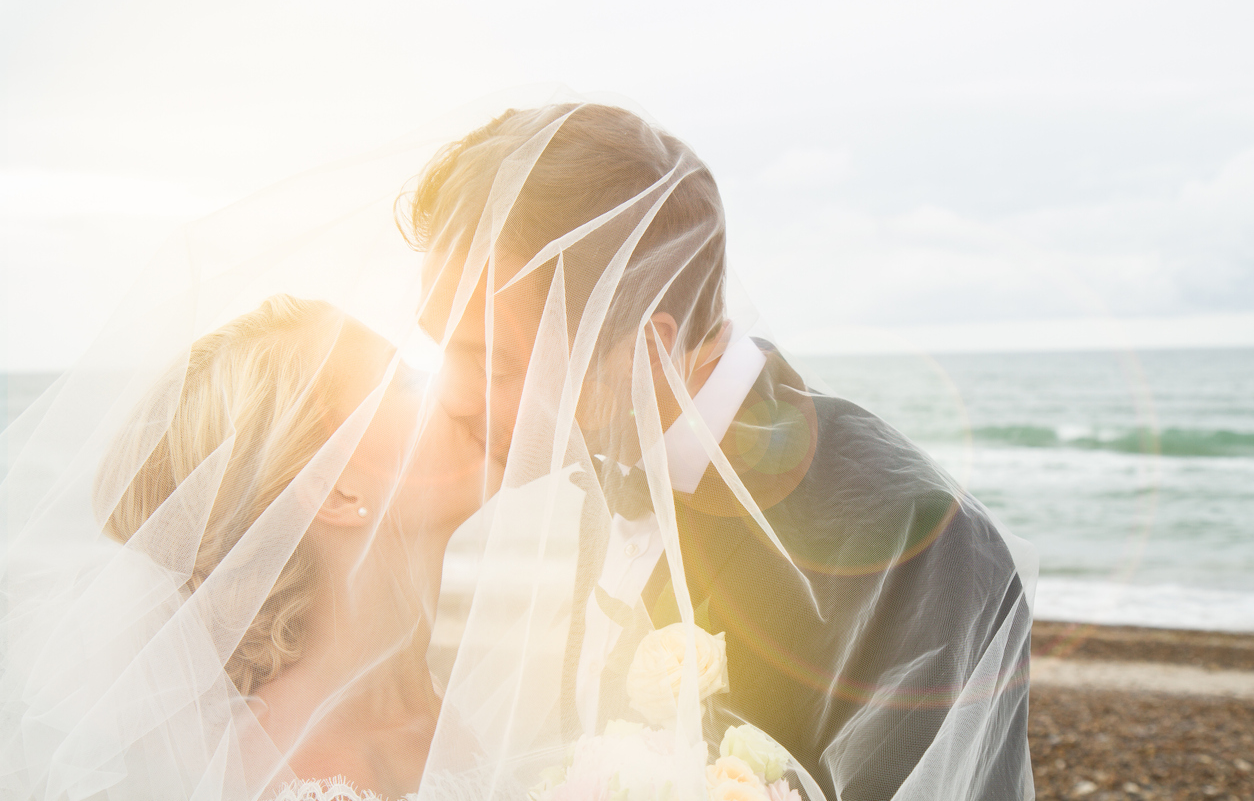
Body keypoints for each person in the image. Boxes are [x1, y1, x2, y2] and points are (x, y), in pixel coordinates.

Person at [409, 103, 1036, 800]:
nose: (450, 398)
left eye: (496, 364)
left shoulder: (915, 541)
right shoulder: (600, 476)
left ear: (646, 351)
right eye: (443, 352)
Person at [1, 294, 495, 799]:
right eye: (406, 383)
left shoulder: (430, 709)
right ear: (336, 491)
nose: (456, 395)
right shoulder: (306, 776)